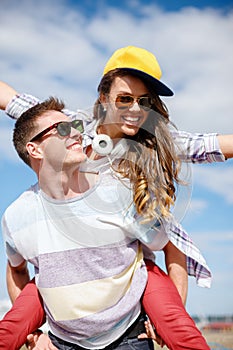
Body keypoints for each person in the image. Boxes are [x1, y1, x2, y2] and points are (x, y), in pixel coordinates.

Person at [1, 45, 231, 348]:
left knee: (174, 322)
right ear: (103, 98)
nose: (136, 110)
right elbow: (13, 102)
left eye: (144, 102)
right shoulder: (69, 127)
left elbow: (209, 145)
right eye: (124, 99)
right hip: (66, 256)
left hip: (125, 255)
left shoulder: (152, 142)